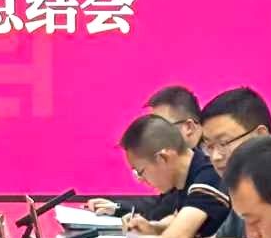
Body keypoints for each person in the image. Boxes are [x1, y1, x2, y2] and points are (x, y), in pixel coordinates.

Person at [86, 85, 212, 217]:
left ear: (189, 127)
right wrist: (118, 207)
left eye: (162, 125)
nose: (154, 131)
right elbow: (164, 204)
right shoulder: (183, 161)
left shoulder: (212, 166)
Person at [194, 86, 271, 238]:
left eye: (223, 143)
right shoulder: (243, 186)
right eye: (209, 146)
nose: (215, 156)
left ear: (260, 135)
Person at [109, 114, 230, 238]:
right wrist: (152, 228)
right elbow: (178, 219)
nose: (140, 179)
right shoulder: (188, 175)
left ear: (163, 158)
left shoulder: (208, 177)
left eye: (140, 171)